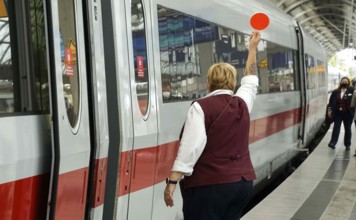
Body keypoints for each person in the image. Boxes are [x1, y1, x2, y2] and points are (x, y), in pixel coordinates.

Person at [163, 31, 260, 220]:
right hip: (242, 184)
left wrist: (172, 181)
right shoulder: (242, 103)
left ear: (208, 83)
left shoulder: (200, 107)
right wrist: (252, 49)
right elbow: (250, 78)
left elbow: (191, 148)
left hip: (210, 186)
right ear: (232, 83)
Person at [327, 77, 354, 150]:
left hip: (348, 114)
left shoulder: (352, 91)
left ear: (348, 83)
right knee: (336, 128)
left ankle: (347, 144)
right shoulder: (335, 92)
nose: (344, 83)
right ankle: (333, 142)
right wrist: (329, 111)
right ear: (341, 82)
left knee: (348, 129)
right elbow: (330, 102)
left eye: (346, 82)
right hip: (338, 113)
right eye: (343, 81)